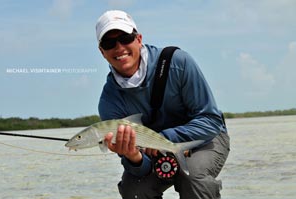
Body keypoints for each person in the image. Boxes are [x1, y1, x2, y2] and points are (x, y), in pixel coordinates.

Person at [96, 10, 230, 199]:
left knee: (193, 178)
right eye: (109, 43)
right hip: (152, 152)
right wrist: (134, 158)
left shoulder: (179, 62)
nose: (119, 47)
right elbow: (139, 169)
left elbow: (211, 121)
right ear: (102, 52)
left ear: (139, 39)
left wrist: (164, 138)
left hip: (204, 139)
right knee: (134, 190)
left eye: (125, 38)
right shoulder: (109, 101)